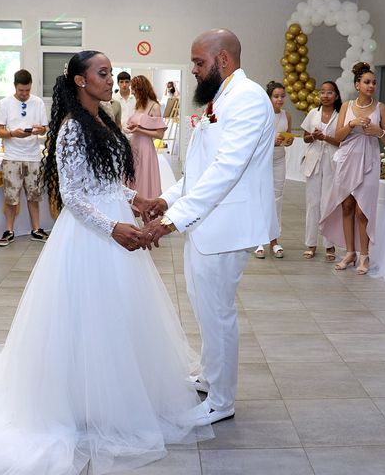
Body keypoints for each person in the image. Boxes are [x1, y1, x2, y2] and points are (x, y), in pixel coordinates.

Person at [0, 50, 212, 475]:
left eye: (110, 74)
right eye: (103, 74)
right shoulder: (71, 128)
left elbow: (102, 182)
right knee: (86, 318)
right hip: (91, 236)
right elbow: (72, 197)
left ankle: (122, 391)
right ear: (81, 82)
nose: (111, 80)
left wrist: (135, 200)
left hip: (114, 222)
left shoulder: (103, 119)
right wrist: (113, 228)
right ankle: (79, 400)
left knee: (120, 316)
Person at [141, 29, 276, 426]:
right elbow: (201, 168)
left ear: (222, 60)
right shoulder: (222, 96)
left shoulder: (249, 98)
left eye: (199, 62)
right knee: (204, 308)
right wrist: (166, 199)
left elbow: (226, 171)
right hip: (206, 223)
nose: (194, 70)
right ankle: (210, 375)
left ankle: (221, 401)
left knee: (218, 314)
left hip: (227, 226)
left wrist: (171, 222)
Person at [320, 62, 385, 275]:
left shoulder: (382, 108)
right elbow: (338, 137)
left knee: (363, 210)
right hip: (348, 158)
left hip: (369, 158)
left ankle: (364, 255)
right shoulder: (346, 107)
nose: (371, 86)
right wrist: (351, 125)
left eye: (374, 82)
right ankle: (350, 252)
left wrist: (377, 131)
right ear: (357, 84)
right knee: (347, 206)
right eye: (367, 82)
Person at [0, 69, 50, 247]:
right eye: (21, 91)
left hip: (33, 156)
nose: (25, 94)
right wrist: (13, 133)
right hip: (12, 156)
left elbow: (44, 128)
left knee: (34, 195)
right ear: (15, 87)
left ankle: (36, 228)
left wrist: (38, 130)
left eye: (27, 90)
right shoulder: (4, 103)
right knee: (11, 196)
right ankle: (9, 230)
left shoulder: (38, 102)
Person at [301, 81, 341, 261]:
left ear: (336, 96)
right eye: (322, 92)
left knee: (328, 203)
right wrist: (314, 136)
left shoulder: (341, 115)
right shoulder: (313, 113)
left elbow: (342, 141)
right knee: (313, 203)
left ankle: (329, 245)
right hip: (314, 161)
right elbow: (305, 139)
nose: (325, 96)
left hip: (332, 162)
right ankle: (311, 244)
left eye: (329, 93)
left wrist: (326, 137)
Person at [254, 81, 293, 259]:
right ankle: (259, 239)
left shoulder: (287, 115)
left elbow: (289, 134)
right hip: (263, 159)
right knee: (262, 197)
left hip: (279, 159)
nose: (279, 99)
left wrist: (288, 140)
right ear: (269, 97)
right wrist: (271, 141)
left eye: (282, 96)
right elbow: (255, 139)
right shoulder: (261, 115)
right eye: (276, 96)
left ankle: (274, 239)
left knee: (277, 197)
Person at [125, 75, 167, 199]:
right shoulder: (138, 105)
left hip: (145, 147)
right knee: (134, 174)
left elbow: (160, 134)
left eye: (134, 88)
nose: (132, 92)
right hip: (134, 145)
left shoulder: (154, 106)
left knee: (143, 176)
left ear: (142, 89)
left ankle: (145, 202)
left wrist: (139, 130)